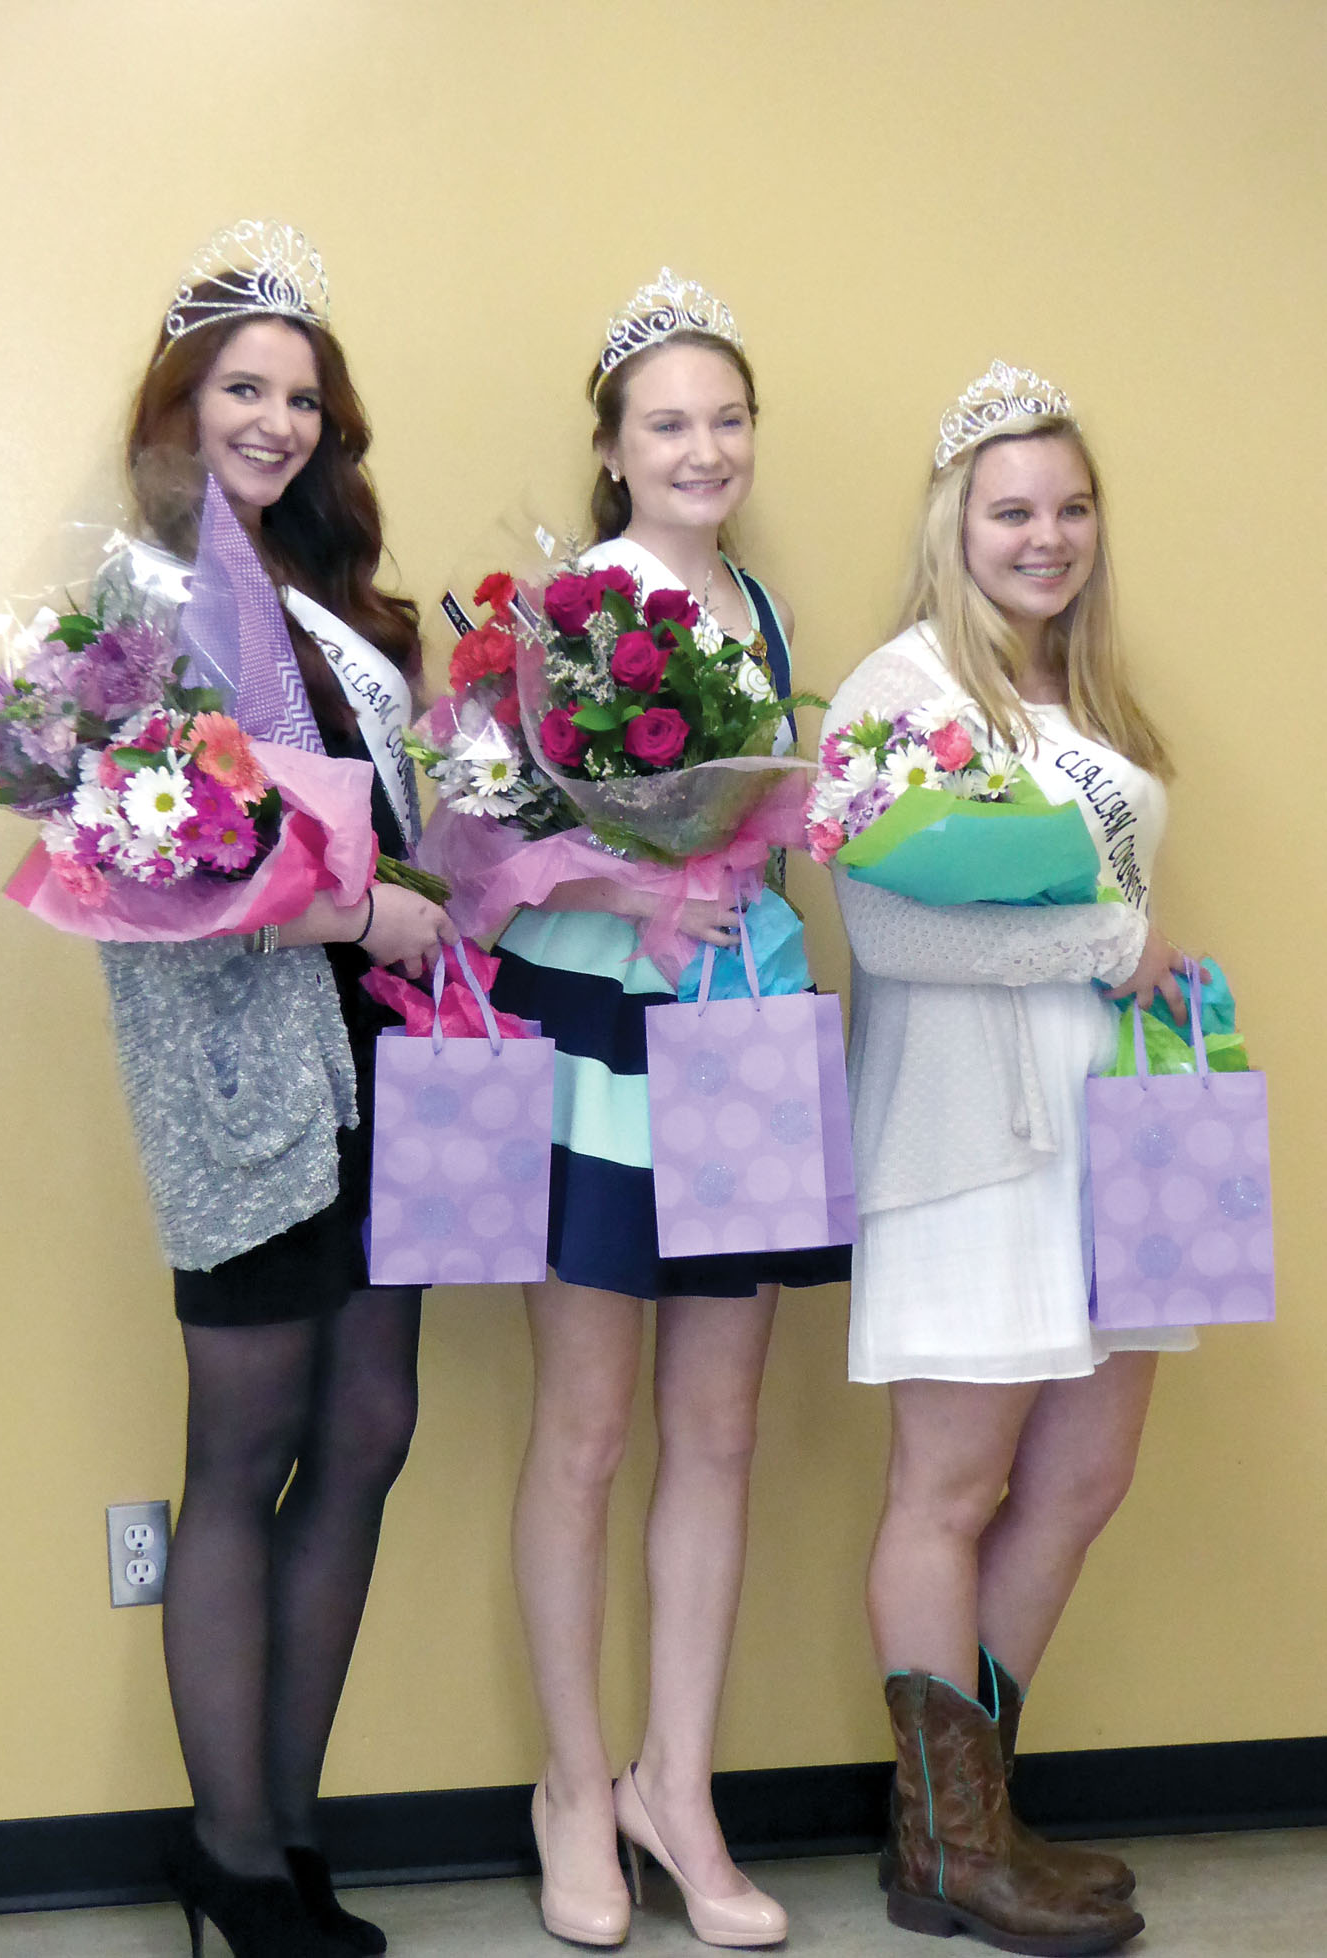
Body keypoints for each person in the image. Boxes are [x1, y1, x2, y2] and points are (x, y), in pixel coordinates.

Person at [95, 220, 455, 1958]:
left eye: (302, 395)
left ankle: (292, 1829)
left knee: (368, 1432)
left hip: (384, 1057)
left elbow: (379, 809)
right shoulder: (132, 597)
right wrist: (354, 897)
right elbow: (165, 846)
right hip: (241, 1068)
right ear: (180, 403)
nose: (277, 421)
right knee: (241, 1450)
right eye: (244, 387)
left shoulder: (338, 604)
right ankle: (234, 1858)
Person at [486, 270, 850, 1949]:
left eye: (724, 418)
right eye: (666, 424)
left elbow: (756, 821)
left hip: (747, 1025)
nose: (701, 447)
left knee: (718, 1428)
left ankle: (674, 1785)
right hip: (599, 1037)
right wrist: (622, 895)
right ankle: (572, 1784)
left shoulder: (761, 613)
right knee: (589, 1430)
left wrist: (822, 816)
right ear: (615, 451)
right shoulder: (572, 614)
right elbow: (484, 852)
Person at [825, 360, 1191, 1955]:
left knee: (1084, 1471)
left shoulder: (1090, 700)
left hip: (1108, 1133)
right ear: (952, 523)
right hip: (971, 1138)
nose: (1046, 537)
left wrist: (1125, 965)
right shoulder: (895, 693)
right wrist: (1101, 943)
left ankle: (963, 1815)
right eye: (1011, 509)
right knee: (953, 1483)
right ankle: (954, 1847)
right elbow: (888, 927)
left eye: (1069, 506)